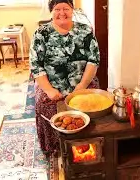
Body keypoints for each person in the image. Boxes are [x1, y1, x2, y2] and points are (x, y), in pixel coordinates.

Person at [29, 0, 100, 155]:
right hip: (51, 83)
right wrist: (48, 89)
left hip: (82, 82)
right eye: (57, 9)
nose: (62, 13)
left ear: (72, 9)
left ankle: (88, 142)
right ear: (51, 11)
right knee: (44, 102)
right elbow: (36, 65)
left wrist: (81, 86)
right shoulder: (41, 33)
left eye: (66, 8)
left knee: (94, 102)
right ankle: (55, 147)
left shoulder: (86, 30)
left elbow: (93, 60)